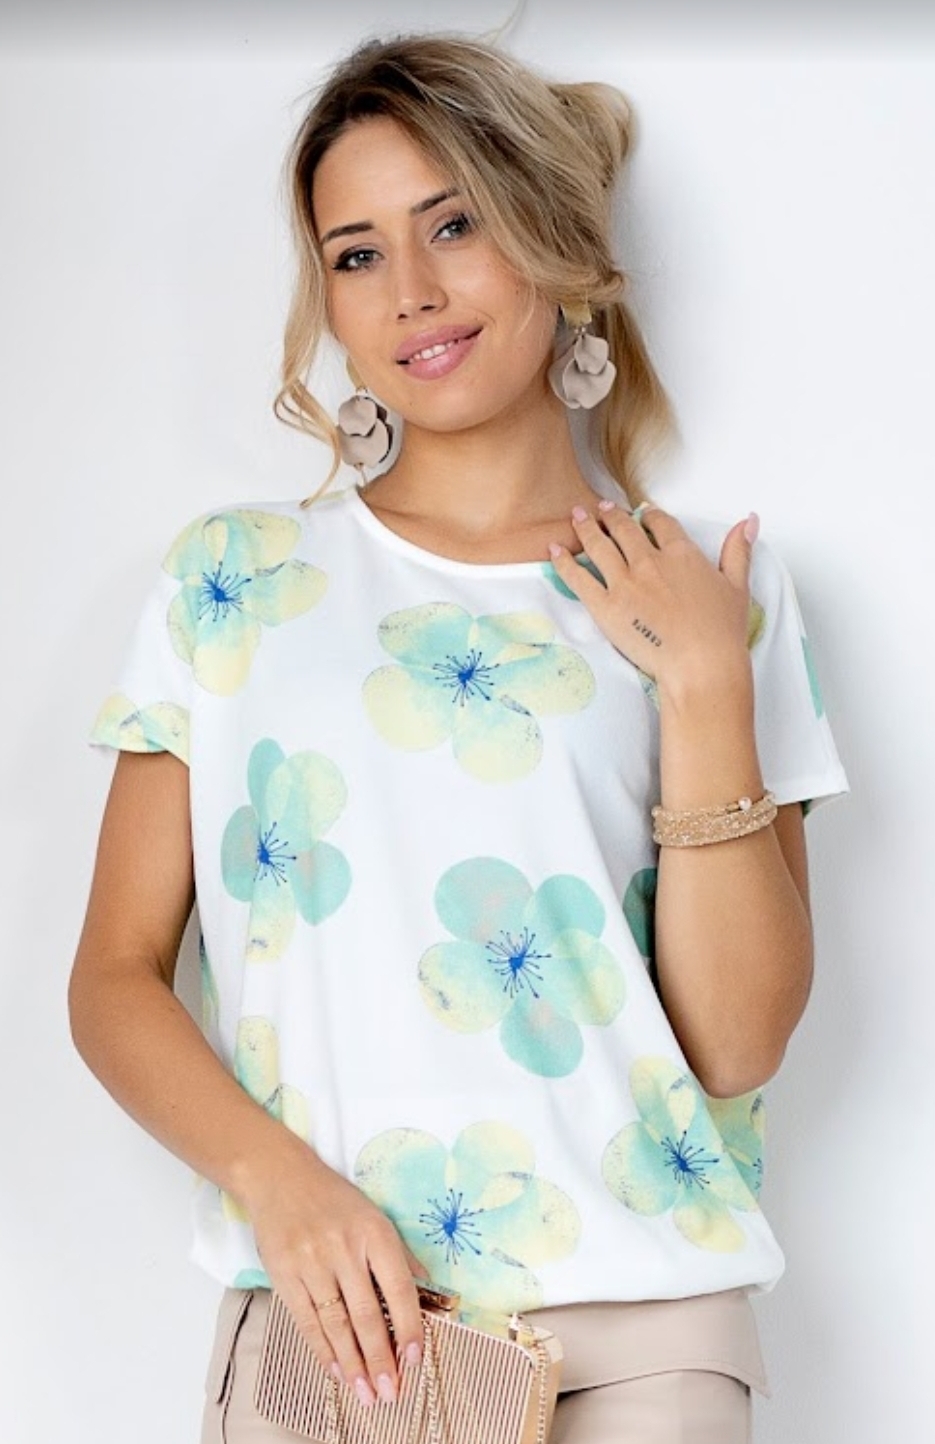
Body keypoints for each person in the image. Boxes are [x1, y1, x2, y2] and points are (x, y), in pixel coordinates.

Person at [69, 32, 848, 1444]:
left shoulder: (708, 589)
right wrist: (280, 1186)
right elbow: (115, 978)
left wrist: (703, 685)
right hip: (341, 1342)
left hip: (651, 1339)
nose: (411, 292)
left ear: (555, 238)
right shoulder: (228, 582)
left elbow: (738, 1045)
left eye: (455, 225)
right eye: (356, 253)